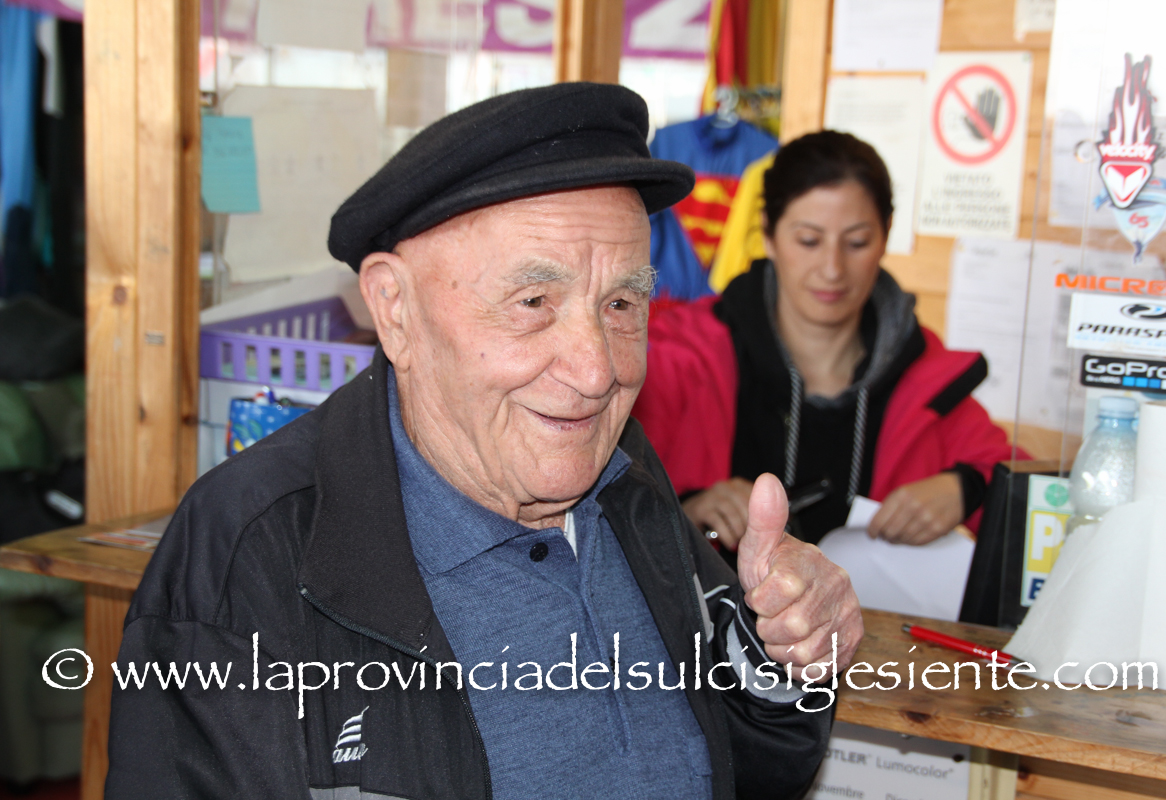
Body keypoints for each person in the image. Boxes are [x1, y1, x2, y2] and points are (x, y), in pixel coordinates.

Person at [105, 84, 862, 800]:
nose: (597, 371)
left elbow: (754, 768)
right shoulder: (249, 552)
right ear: (395, 310)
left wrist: (783, 652)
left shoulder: (624, 476)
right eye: (533, 301)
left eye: (622, 304)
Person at [633, 130, 1015, 554]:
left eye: (857, 242)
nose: (832, 269)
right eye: (809, 241)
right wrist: (685, 512)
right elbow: (603, 495)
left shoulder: (927, 379)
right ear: (768, 233)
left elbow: (1026, 485)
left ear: (886, 234)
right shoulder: (677, 359)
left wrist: (966, 487)